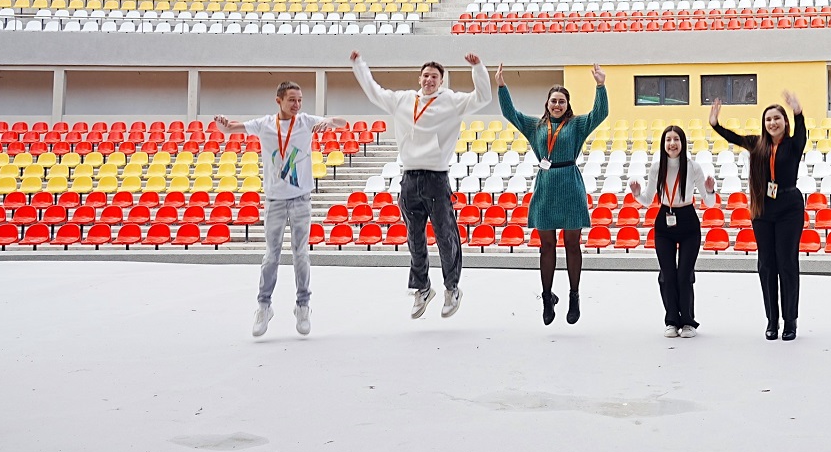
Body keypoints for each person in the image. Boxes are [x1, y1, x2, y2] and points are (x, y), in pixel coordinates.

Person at [351, 50, 491, 320]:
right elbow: (373, 91)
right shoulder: (403, 100)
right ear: (419, 78)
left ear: (441, 81)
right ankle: (422, 288)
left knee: (445, 236)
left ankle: (452, 288)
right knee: (414, 238)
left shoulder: (451, 101)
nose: (429, 80)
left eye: (434, 77)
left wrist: (478, 69)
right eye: (426, 75)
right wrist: (359, 64)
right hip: (409, 178)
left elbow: (483, 97)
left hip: (436, 178)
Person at [214, 82, 348, 338]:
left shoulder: (306, 121)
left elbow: (341, 122)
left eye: (300, 100)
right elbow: (231, 128)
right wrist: (223, 126)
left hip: (301, 199)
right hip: (275, 200)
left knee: (301, 255)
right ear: (279, 100)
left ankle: (303, 305)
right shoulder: (265, 124)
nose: (297, 105)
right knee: (271, 256)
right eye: (292, 100)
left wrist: (328, 122)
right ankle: (264, 306)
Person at [496, 64, 608, 326]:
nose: (557, 105)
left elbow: (600, 113)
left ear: (567, 105)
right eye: (553, 101)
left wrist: (600, 86)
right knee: (546, 246)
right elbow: (510, 113)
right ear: (547, 104)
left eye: (561, 101)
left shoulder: (576, 124)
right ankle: (547, 297)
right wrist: (501, 86)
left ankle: (574, 295)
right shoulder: (535, 126)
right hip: (545, 189)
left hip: (570, 186)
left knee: (572, 244)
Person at [711, 91, 807, 341]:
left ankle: (790, 320)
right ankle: (772, 320)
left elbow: (802, 131)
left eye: (777, 118)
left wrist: (798, 112)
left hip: (789, 207)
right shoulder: (757, 144)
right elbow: (733, 137)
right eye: (768, 119)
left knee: (787, 263)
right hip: (763, 209)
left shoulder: (794, 144)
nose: (772, 123)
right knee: (766, 264)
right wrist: (715, 124)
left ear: (785, 121)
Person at [630, 125, 717, 338]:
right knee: (667, 275)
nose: (672, 144)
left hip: (688, 221)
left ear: (682, 142)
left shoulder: (693, 167)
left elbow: (710, 202)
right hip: (664, 223)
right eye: (668, 139)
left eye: (676, 139)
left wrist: (710, 190)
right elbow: (648, 199)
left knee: (684, 275)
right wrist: (637, 194)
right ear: (663, 144)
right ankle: (671, 321)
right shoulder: (657, 167)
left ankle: (688, 322)